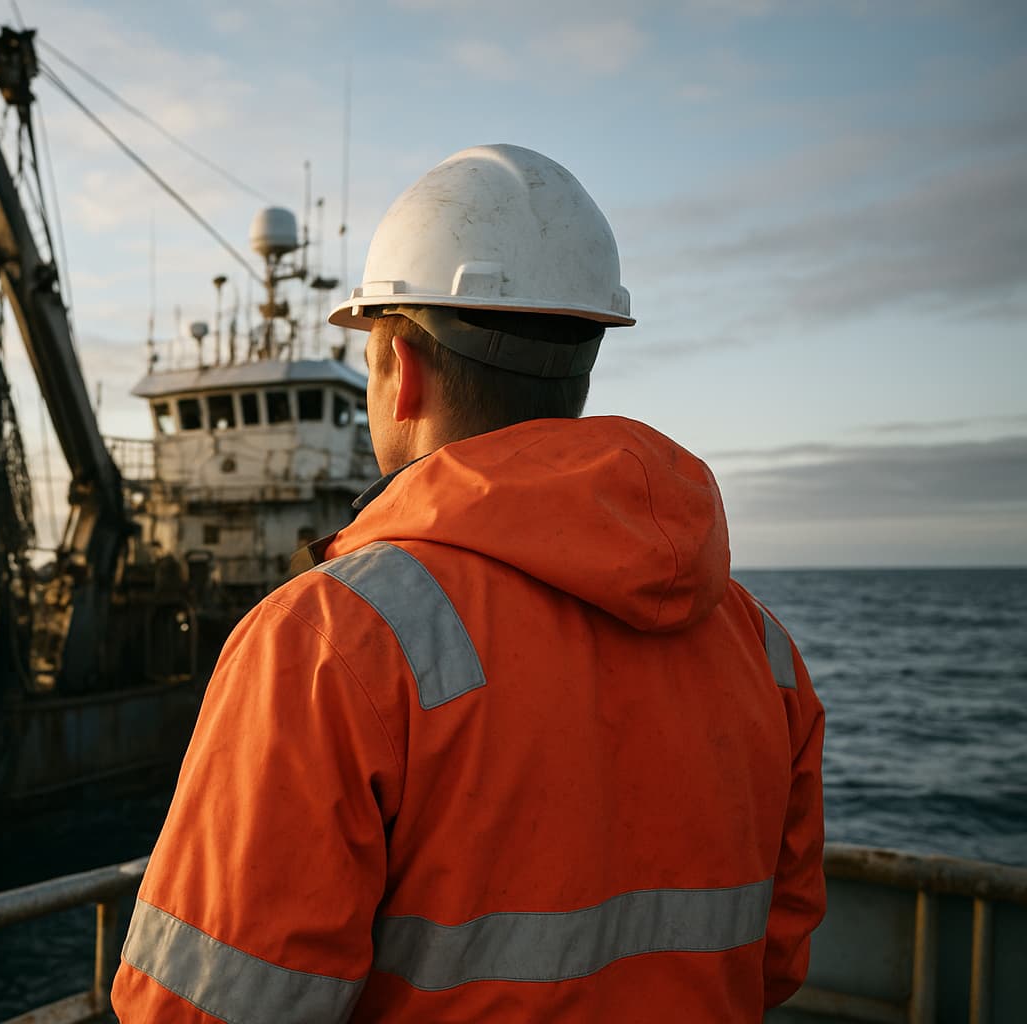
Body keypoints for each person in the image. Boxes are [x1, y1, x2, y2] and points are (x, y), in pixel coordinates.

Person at [112, 144, 825, 1022]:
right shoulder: (763, 648)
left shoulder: (327, 642)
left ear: (397, 373)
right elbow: (779, 955)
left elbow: (202, 1010)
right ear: (582, 360)